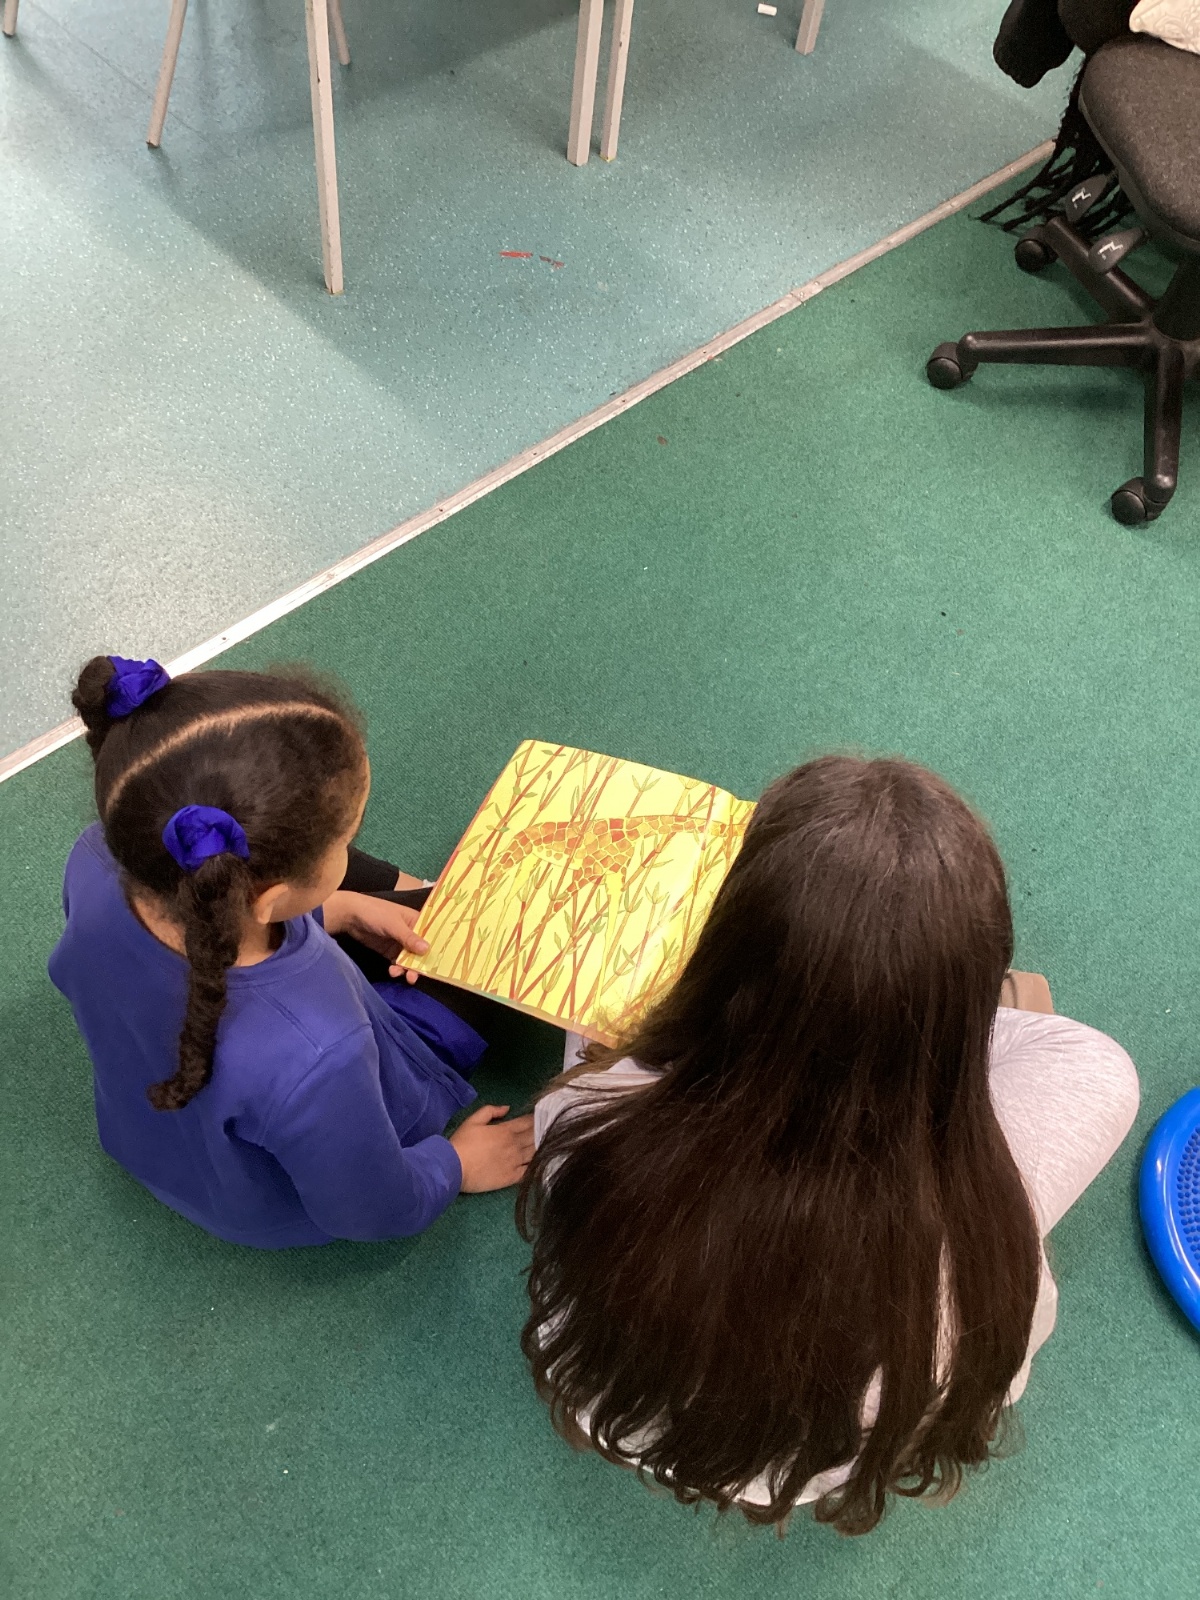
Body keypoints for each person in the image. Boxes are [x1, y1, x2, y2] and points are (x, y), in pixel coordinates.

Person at [518, 755, 1139, 1534]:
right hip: (823, 1457)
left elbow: (621, 1064)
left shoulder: (588, 1111)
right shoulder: (986, 1221)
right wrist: (926, 993)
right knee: (1048, 1015)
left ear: (726, 957)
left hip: (640, 1412)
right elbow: (1064, 1051)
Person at [49, 655, 533, 1249]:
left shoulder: (99, 855)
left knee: (343, 872)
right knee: (500, 927)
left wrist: (340, 910)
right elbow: (370, 1210)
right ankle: (405, 894)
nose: (348, 843)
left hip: (160, 1133)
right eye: (348, 835)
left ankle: (364, 885)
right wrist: (455, 1164)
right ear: (270, 899)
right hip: (281, 1183)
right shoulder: (321, 1050)